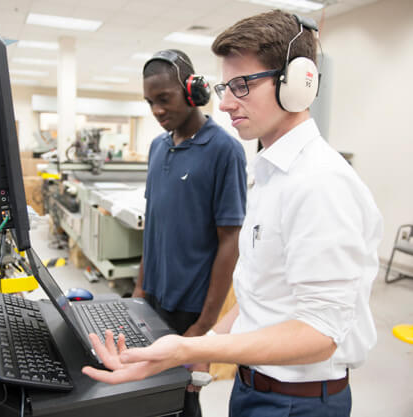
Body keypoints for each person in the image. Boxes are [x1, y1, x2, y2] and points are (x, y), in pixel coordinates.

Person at [82, 10, 383, 417]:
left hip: (298, 402)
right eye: (226, 85)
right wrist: (195, 348)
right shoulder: (272, 174)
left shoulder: (321, 183)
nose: (224, 102)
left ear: (296, 83)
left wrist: (193, 344)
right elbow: (262, 296)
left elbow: (320, 333)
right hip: (253, 385)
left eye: (241, 85)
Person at [131, 49, 247, 416]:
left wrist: (204, 325)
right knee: (149, 394)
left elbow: (230, 240)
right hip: (153, 300)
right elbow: (154, 224)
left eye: (163, 99)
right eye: (150, 102)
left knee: (182, 399)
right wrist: (138, 289)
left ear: (192, 91)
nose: (156, 111)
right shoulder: (157, 148)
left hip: (190, 308)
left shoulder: (224, 149)